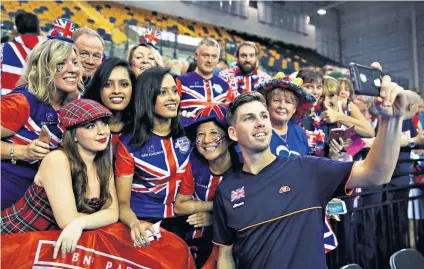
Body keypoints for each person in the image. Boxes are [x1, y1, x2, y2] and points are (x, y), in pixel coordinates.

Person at [212, 63, 407, 269]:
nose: (260, 123)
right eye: (249, 118)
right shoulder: (227, 190)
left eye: (263, 116)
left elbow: (376, 173)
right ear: (233, 133)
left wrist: (390, 120)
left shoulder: (308, 169)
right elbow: (226, 256)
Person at [1, 98, 119, 259]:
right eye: (91, 126)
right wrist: (83, 221)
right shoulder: (57, 159)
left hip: (49, 245)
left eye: (104, 123)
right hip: (14, 239)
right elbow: (67, 220)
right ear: (74, 135)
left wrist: (81, 222)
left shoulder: (103, 164)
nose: (102, 131)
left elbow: (113, 213)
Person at [1, 22, 83, 209]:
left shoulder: (73, 104)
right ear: (44, 68)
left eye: (75, 62)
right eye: (61, 64)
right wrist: (23, 151)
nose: (73, 69)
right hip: (7, 190)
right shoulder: (22, 101)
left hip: (42, 196)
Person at [115, 67, 192, 247]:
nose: (173, 98)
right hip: (144, 221)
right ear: (148, 98)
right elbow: (123, 203)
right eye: (163, 93)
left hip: (182, 218)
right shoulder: (129, 143)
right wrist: (135, 224)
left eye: (174, 91)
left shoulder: (192, 128)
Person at [175, 104, 241, 268]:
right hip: (195, 239)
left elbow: (247, 208)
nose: (206, 140)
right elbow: (180, 206)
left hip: (232, 242)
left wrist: (215, 218)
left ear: (230, 137)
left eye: (214, 133)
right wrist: (216, 209)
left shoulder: (242, 166)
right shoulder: (194, 164)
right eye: (200, 134)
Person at [83, 57, 136, 153]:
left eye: (124, 84)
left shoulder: (141, 126)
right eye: (108, 84)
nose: (116, 91)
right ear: (98, 88)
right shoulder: (82, 126)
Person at [257, 72, 314, 157]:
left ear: (294, 109)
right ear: (267, 105)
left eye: (288, 102)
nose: (282, 106)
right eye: (276, 100)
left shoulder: (300, 132)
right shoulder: (258, 131)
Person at [176, 38, 230, 113]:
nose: (209, 60)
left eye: (214, 56)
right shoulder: (181, 81)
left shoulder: (225, 86)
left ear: (218, 59)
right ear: (196, 56)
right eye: (205, 55)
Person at [1, 12, 43, 95]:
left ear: (16, 28)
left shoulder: (3, 48)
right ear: (38, 28)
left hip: (7, 100)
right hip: (39, 103)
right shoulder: (51, 48)